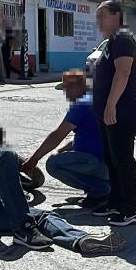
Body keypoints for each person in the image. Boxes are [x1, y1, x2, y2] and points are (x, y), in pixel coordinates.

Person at [0, 122, 123, 254]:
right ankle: (23, 230)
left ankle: (80, 240)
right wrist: (0, 164)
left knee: (45, 215)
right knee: (5, 155)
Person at [91, 0, 136, 227]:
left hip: (123, 111)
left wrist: (110, 105)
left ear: (116, 16)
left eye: (101, 16)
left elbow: (122, 73)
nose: (98, 22)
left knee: (123, 160)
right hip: (110, 112)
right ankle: (115, 203)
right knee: (111, 160)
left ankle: (132, 210)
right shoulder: (112, 41)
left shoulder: (123, 38)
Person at [22, 70, 110, 207]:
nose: (66, 93)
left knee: (53, 164)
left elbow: (57, 135)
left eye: (67, 89)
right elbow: (82, 137)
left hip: (96, 161)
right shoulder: (93, 99)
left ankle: (101, 190)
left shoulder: (81, 105)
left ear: (77, 87)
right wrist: (60, 150)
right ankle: (103, 185)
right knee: (58, 157)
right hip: (107, 160)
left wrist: (33, 159)